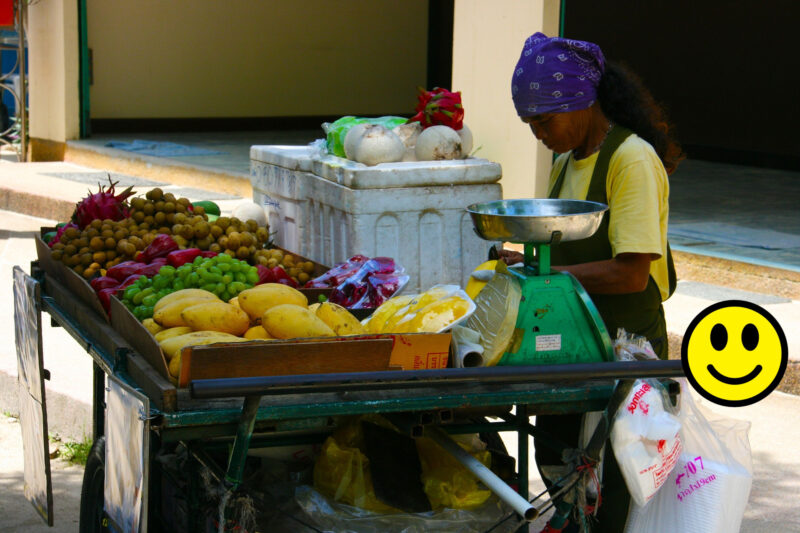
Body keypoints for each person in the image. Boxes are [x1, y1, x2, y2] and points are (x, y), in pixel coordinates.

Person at [503, 33, 684, 532]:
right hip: (573, 345)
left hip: (626, 350)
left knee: (614, 489)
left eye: (544, 120)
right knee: (558, 462)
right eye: (530, 124)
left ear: (582, 103)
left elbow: (631, 273)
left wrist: (547, 276)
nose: (538, 133)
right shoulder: (564, 164)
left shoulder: (631, 160)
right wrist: (524, 259)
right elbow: (562, 248)